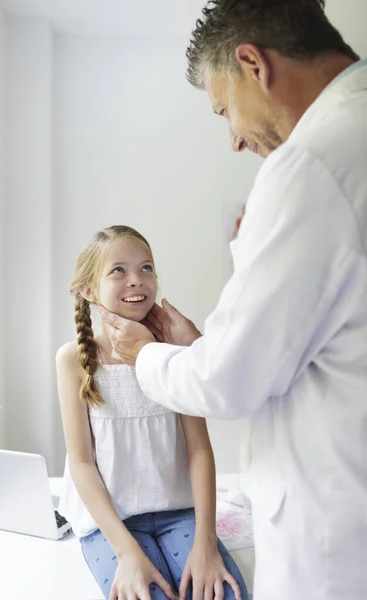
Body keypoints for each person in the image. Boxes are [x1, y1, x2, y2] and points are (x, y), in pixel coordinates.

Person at [98, 2, 367, 600]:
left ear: (253, 64)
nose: (235, 139)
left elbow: (228, 381)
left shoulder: (312, 165)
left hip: (336, 542)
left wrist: (147, 355)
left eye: (225, 111)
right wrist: (206, 347)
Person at [56, 225, 248, 600]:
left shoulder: (174, 352)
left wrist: (206, 544)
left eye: (146, 268)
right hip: (110, 525)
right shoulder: (74, 360)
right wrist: (127, 553)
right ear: (89, 290)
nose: (137, 280)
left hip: (180, 514)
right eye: (119, 271)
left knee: (223, 593)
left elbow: (199, 451)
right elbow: (81, 464)